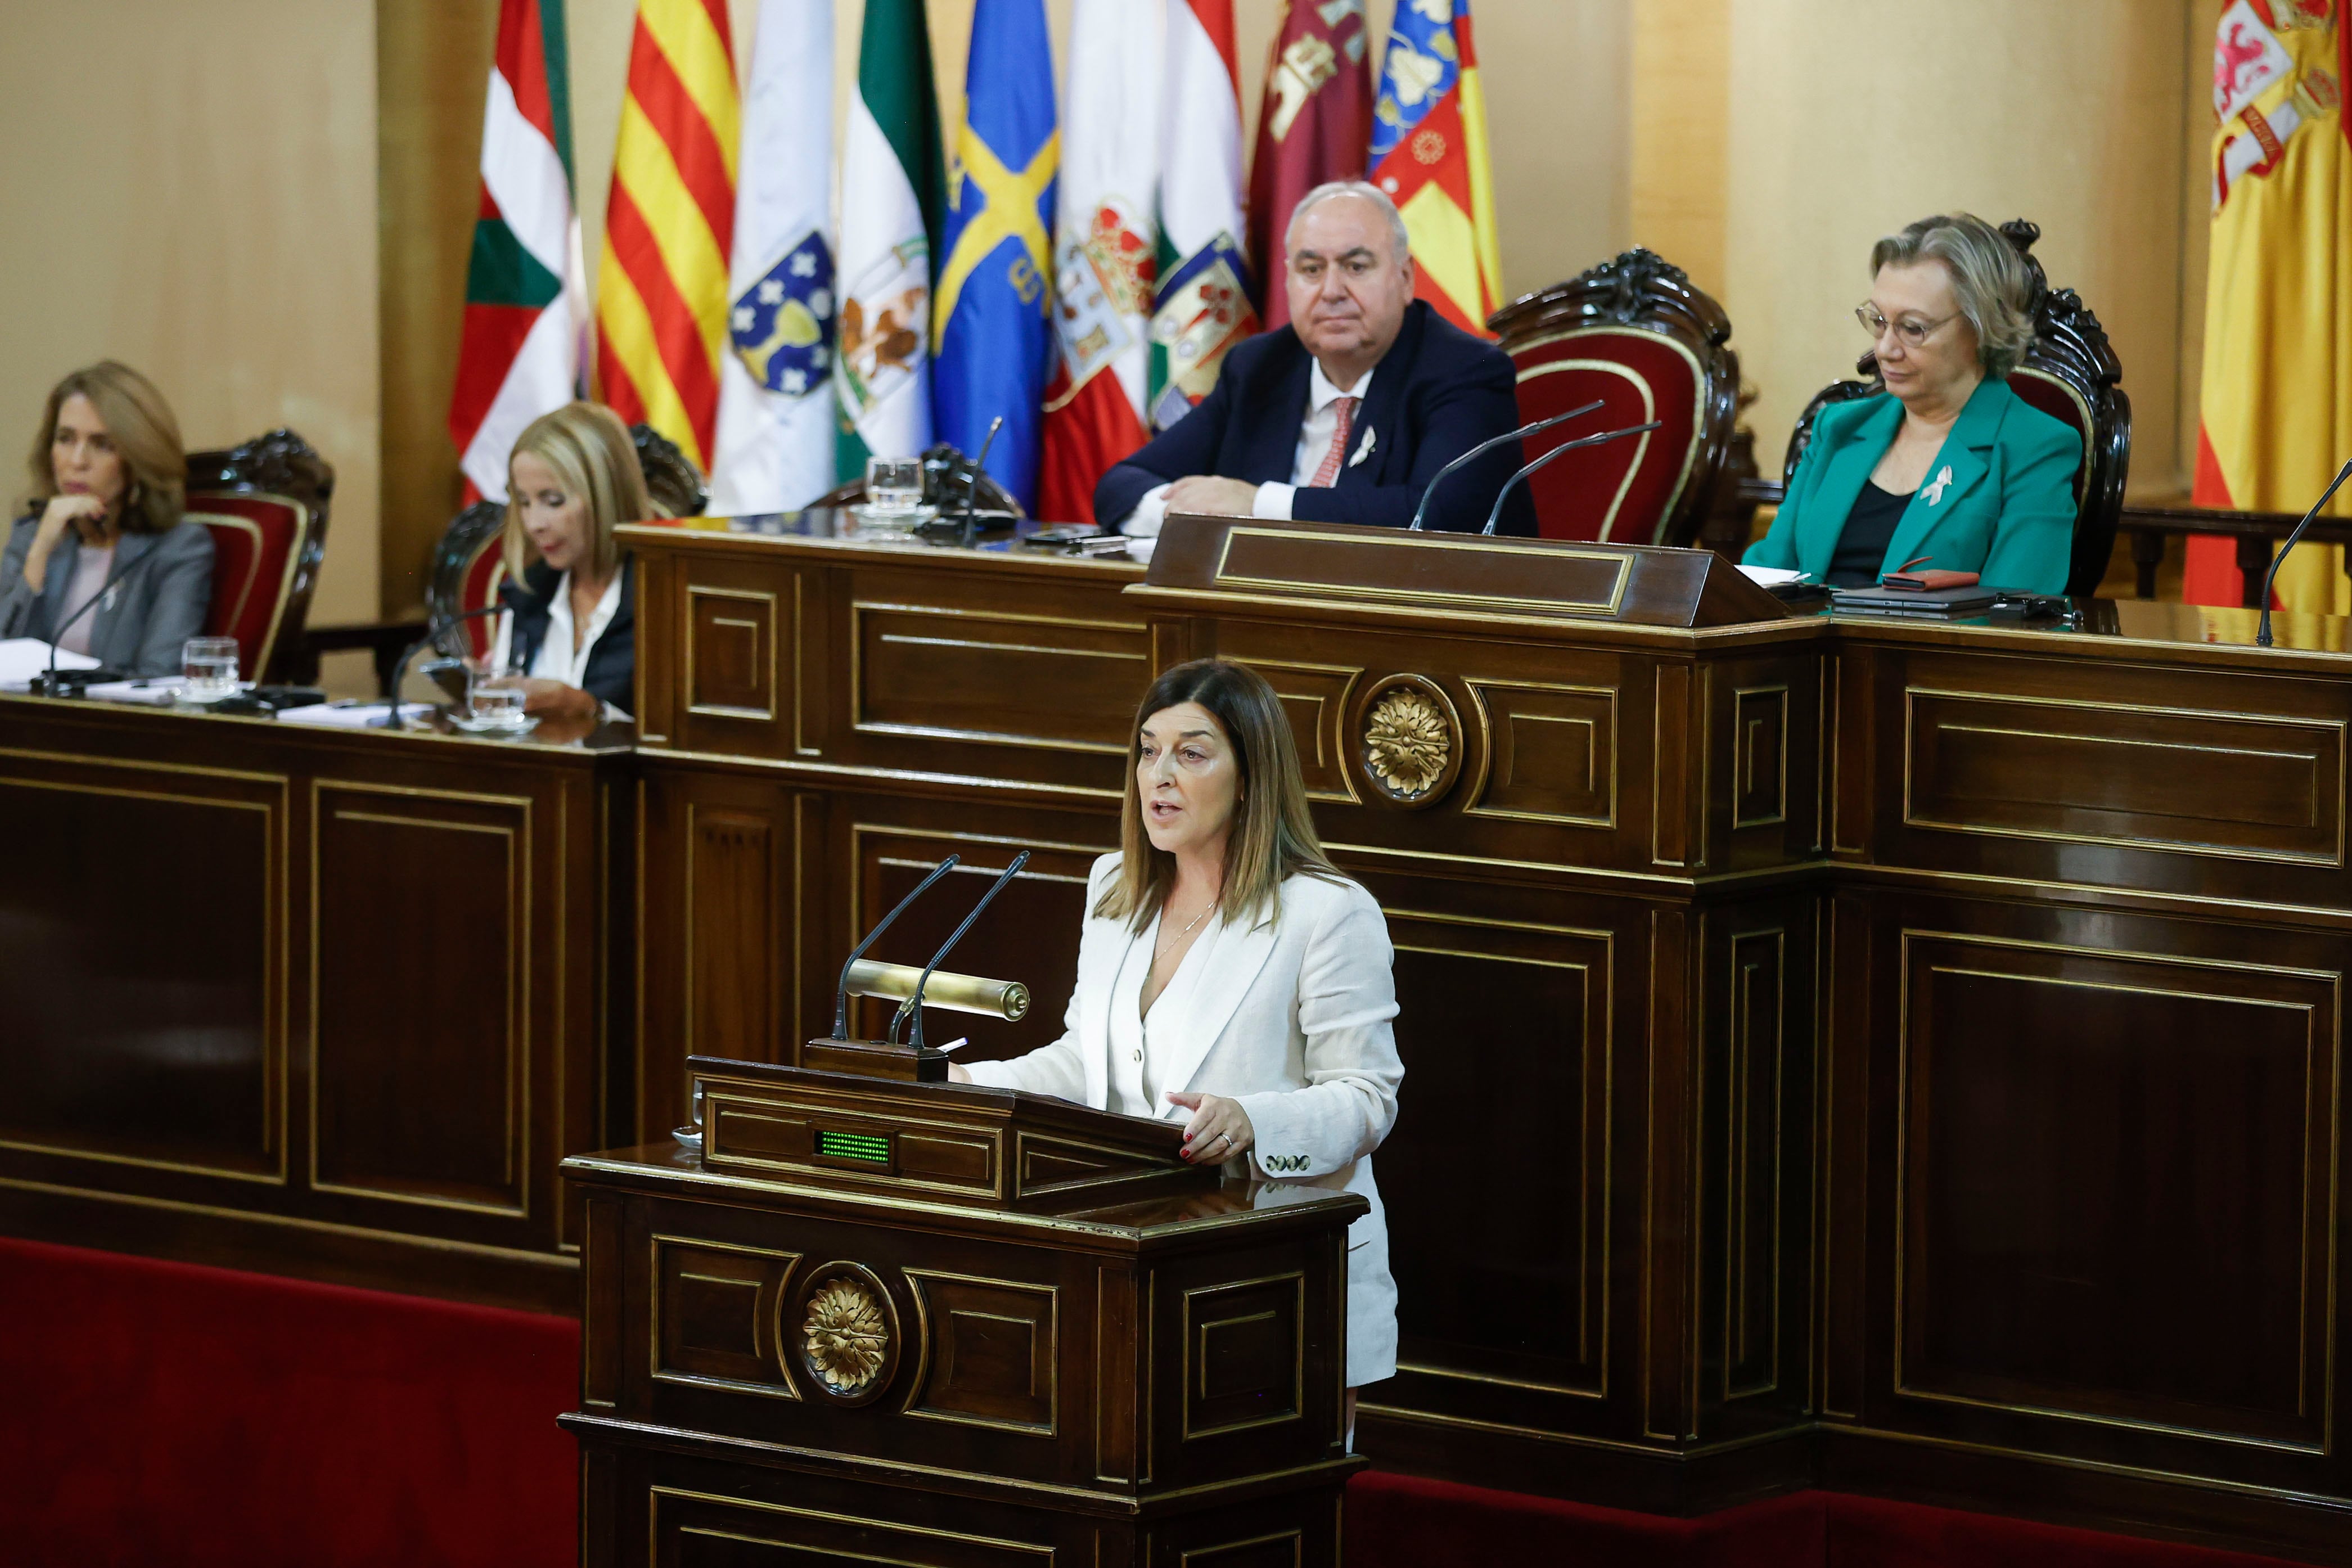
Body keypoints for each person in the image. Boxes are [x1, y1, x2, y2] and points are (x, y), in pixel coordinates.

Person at [952, 659, 1404, 1408]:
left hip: (1271, 1264)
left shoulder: (1327, 913)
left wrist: (1255, 1119)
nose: (1158, 774)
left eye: (1191, 753)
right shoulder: (1114, 888)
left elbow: (1366, 1100)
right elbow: (1084, 1064)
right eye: (1147, 750)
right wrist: (973, 1087)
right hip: (1126, 1259)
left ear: (1250, 776)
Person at [1096, 181, 1535, 537]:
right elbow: (1121, 485)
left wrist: (1257, 505)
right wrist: (1187, 514)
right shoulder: (1258, 367)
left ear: (1404, 279)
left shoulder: (1464, 370)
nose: (1331, 291)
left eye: (1356, 266)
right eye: (1311, 270)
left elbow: (1438, 516)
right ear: (1289, 281)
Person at [1744, 212, 2081, 593]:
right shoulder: (1838, 429)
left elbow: (2016, 613)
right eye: (1879, 321)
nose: (1885, 349)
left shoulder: (2034, 447)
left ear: (1982, 328)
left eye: (1913, 328)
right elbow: (1768, 577)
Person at [0, 362, 213, 677]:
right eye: (66, 438)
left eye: (102, 445)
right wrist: (40, 549)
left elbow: (159, 675)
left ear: (137, 458)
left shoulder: (180, 549)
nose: (77, 461)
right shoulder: (33, 536)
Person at [490, 402, 647, 723]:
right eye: (524, 502)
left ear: (606, 495)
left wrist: (592, 711)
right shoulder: (528, 593)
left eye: (553, 501)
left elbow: (689, 741)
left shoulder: (662, 602)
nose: (534, 523)